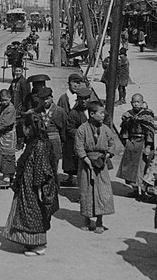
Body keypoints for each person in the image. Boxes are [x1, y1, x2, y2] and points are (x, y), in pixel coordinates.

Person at [3, 113, 59, 256]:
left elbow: (42, 169)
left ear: (29, 128)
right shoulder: (34, 143)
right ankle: (30, 243)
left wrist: (40, 188)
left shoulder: (39, 145)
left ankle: (38, 244)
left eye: (24, 128)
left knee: (34, 214)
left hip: (34, 187)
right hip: (28, 184)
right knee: (27, 214)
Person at [75, 101, 115, 233]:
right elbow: (79, 147)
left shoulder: (106, 129)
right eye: (101, 113)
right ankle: (86, 219)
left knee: (101, 192)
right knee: (86, 192)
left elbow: (112, 144)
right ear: (92, 114)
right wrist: (87, 161)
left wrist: (106, 156)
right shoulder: (82, 129)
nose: (103, 115)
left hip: (101, 165)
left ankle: (99, 221)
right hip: (86, 165)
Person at [116, 93, 155, 197]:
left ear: (142, 103)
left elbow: (149, 132)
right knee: (129, 167)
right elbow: (124, 130)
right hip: (131, 143)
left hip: (142, 143)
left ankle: (143, 191)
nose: (136, 104)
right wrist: (126, 141)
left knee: (141, 168)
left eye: (138, 102)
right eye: (134, 102)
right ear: (131, 103)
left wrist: (148, 146)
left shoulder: (146, 115)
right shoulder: (127, 115)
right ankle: (134, 189)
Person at [61, 87, 92, 186]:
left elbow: (105, 121)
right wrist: (83, 135)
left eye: (86, 98)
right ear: (77, 99)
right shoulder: (74, 113)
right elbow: (70, 129)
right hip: (80, 142)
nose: (84, 101)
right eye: (81, 98)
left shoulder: (95, 109)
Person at [35, 87, 67, 167]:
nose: (45, 101)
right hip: (42, 140)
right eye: (42, 99)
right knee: (41, 163)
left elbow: (64, 128)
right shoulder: (37, 111)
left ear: (51, 98)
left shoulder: (59, 111)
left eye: (47, 98)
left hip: (54, 140)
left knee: (54, 163)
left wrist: (63, 141)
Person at [0, 89, 17, 188]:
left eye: (5, 100)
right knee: (2, 155)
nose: (3, 102)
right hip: (2, 135)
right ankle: (7, 176)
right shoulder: (1, 106)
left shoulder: (11, 109)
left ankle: (7, 178)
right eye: (1, 100)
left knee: (7, 156)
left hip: (8, 134)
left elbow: (6, 122)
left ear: (10, 98)